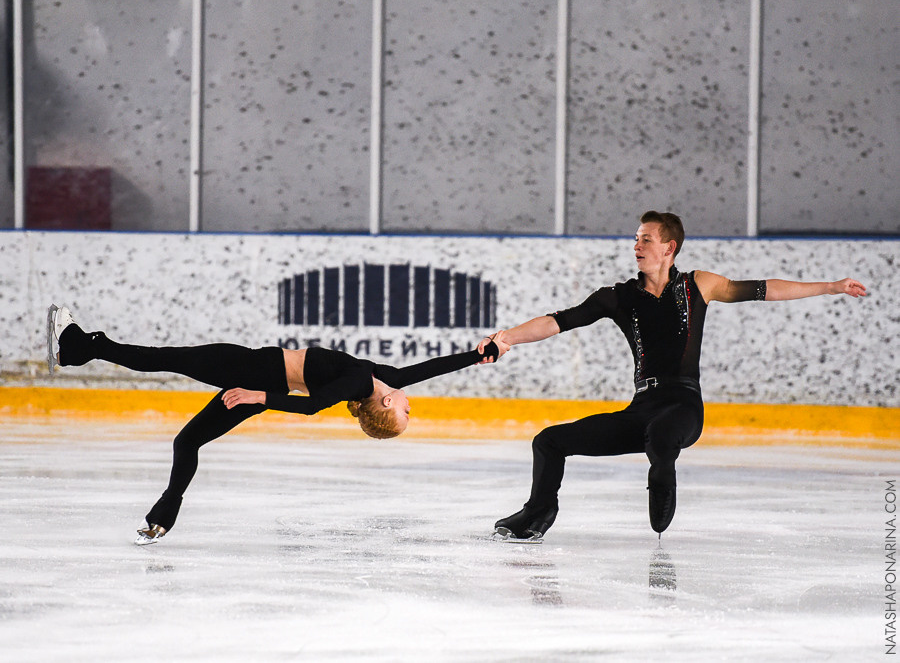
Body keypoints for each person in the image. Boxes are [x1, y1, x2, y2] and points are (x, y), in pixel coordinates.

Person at [479, 211, 867, 542]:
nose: (636, 245)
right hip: (641, 410)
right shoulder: (616, 296)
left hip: (683, 408)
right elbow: (557, 321)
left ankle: (663, 479)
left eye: (646, 239)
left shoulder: (698, 285)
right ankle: (537, 514)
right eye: (636, 239)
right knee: (549, 441)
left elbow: (764, 289)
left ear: (669, 247)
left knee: (661, 434)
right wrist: (505, 338)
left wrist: (829, 287)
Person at [46, 305, 508, 545]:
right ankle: (162, 518)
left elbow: (311, 407)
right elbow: (425, 369)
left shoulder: (358, 381)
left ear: (386, 402)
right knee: (188, 441)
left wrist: (256, 395)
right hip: (262, 383)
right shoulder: (375, 379)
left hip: (255, 373)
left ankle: (81, 344)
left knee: (164, 359)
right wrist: (477, 356)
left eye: (405, 414)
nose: (412, 407)